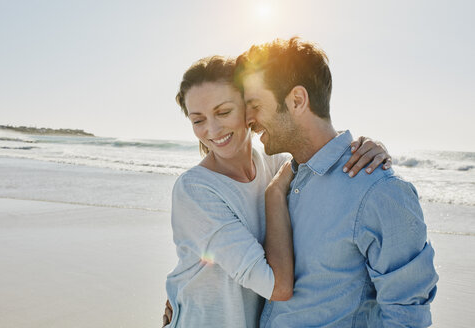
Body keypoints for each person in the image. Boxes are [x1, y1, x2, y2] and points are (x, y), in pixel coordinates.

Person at [163, 55, 392, 327]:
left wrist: (365, 147)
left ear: (249, 110)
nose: (211, 130)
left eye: (223, 112)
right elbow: (278, 288)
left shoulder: (275, 165)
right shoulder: (196, 190)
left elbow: (318, 148)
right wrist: (273, 196)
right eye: (197, 120)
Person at [233, 37, 438, 327]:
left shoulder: (379, 190)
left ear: (297, 100)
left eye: (254, 105)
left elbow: (406, 316)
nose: (247, 119)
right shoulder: (277, 178)